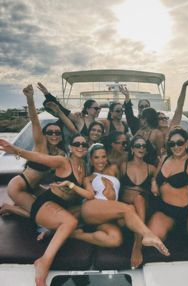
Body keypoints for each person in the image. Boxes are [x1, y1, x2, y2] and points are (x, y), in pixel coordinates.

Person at [0, 134, 93, 286]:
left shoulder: (83, 166)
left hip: (60, 207)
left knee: (85, 210)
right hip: (46, 204)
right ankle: (44, 261)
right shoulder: (63, 161)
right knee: (70, 222)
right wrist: (14, 149)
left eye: (84, 144)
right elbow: (38, 157)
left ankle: (44, 227)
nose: (81, 147)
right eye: (77, 143)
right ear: (70, 147)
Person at [73, 144, 170, 261]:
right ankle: (147, 235)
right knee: (128, 209)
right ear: (91, 160)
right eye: (96, 157)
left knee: (115, 239)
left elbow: (127, 155)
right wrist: (72, 186)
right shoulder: (88, 178)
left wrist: (161, 161)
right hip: (92, 208)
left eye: (103, 157)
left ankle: (76, 235)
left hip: (108, 216)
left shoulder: (113, 169)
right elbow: (89, 195)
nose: (100, 161)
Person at [0, 84, 65, 217]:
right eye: (50, 132)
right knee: (42, 216)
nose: (54, 135)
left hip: (35, 188)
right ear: (45, 135)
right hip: (18, 186)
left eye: (57, 132)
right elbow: (35, 121)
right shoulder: (41, 145)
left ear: (61, 136)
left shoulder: (60, 154)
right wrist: (30, 98)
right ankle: (8, 208)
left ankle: (20, 204)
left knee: (59, 205)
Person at [120, 135, 157, 268]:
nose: (141, 148)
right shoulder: (123, 166)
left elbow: (157, 186)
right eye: (138, 145)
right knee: (133, 205)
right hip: (126, 208)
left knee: (139, 198)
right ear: (132, 149)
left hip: (143, 206)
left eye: (143, 146)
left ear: (146, 150)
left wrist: (153, 181)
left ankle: (137, 244)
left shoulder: (151, 168)